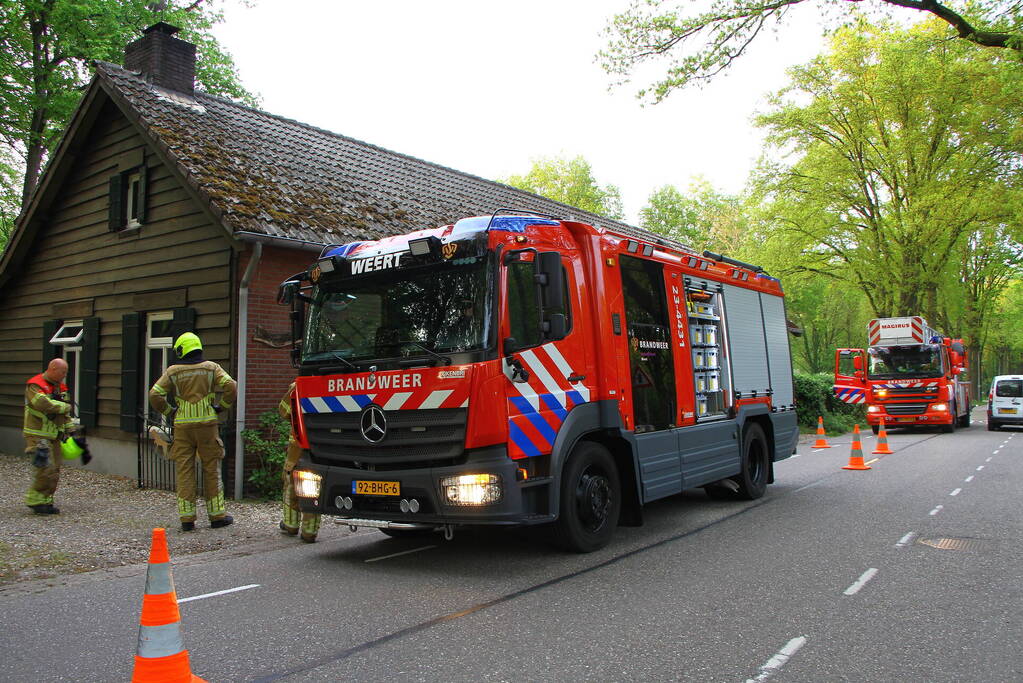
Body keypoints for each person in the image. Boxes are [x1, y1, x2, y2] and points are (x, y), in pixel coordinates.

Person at [149, 332, 237, 532]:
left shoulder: (173, 371)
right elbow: (231, 386)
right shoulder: (211, 368)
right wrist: (221, 406)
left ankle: (187, 519)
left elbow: (155, 394)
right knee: (211, 469)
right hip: (207, 425)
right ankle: (217, 516)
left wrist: (169, 411)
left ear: (181, 349)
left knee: (184, 471)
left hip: (182, 427)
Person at [23, 359, 72, 514]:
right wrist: (63, 406)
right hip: (38, 435)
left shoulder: (61, 387)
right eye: (62, 372)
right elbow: (42, 404)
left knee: (55, 470)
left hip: (55, 435)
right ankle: (35, 501)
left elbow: (66, 412)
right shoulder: (35, 385)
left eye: (66, 372)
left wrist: (69, 429)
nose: (64, 375)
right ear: (53, 368)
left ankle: (46, 500)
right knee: (44, 469)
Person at [277, 382, 321, 542]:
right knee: (313, 487)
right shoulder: (330, 386)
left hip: (297, 444)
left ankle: (290, 525)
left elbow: (284, 410)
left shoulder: (297, 386)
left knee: (291, 484)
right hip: (320, 445)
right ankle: (309, 531)